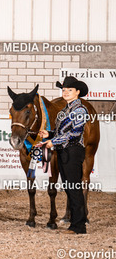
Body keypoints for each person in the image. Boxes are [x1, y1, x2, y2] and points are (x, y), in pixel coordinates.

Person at [37, 76, 89, 235]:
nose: (65, 92)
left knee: (73, 187)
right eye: (64, 90)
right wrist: (49, 134)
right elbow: (62, 132)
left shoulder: (80, 110)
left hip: (73, 151)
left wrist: (53, 141)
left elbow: (75, 133)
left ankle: (78, 226)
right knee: (69, 187)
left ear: (77, 92)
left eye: (69, 90)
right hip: (64, 151)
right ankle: (76, 223)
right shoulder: (64, 111)